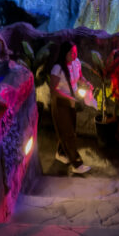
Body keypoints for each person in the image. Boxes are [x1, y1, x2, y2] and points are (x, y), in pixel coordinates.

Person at [49, 42, 95, 174]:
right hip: (60, 102)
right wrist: (69, 98)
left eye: (75, 52)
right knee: (68, 133)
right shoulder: (57, 68)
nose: (74, 55)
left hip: (72, 101)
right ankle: (77, 164)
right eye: (71, 52)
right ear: (65, 53)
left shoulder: (76, 62)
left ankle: (61, 153)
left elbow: (79, 77)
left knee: (69, 129)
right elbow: (53, 90)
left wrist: (87, 83)